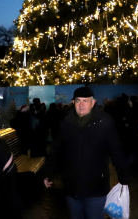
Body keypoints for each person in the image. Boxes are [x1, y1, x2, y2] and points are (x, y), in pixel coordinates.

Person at [43, 86, 131, 219]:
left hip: (96, 187)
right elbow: (56, 149)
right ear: (73, 103)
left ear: (93, 102)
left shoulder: (105, 121)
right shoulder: (66, 122)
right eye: (78, 101)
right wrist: (48, 173)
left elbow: (115, 149)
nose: (81, 104)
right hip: (72, 186)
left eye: (86, 101)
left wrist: (124, 175)